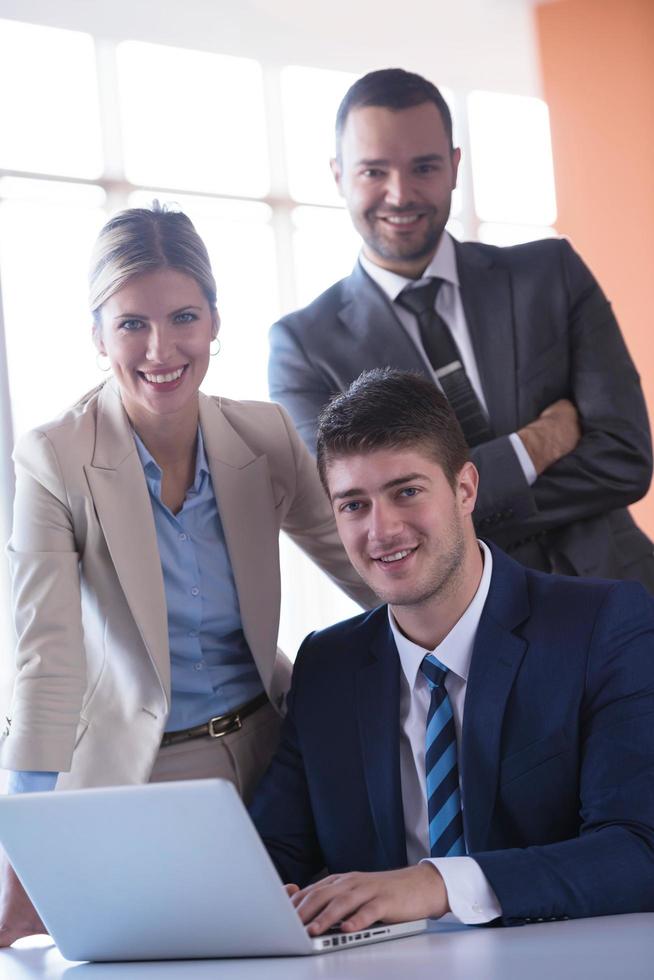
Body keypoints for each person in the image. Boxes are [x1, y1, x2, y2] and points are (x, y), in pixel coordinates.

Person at [0, 204, 374, 946]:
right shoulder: (55, 458)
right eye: (132, 323)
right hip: (143, 779)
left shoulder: (263, 436)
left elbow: (364, 565)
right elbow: (46, 662)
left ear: (213, 322)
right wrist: (24, 850)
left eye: (183, 317)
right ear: (97, 332)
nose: (161, 347)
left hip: (272, 759)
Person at [250, 368, 654, 932]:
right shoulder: (326, 665)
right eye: (353, 505)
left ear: (465, 489)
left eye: (406, 492)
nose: (381, 530)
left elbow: (638, 850)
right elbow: (268, 857)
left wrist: (437, 883)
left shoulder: (600, 626)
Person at [268, 67, 654, 586]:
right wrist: (534, 446)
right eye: (373, 172)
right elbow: (362, 533)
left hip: (626, 597)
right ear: (339, 175)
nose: (400, 194)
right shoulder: (304, 348)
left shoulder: (551, 274)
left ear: (453, 167)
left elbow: (625, 459)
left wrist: (443, 511)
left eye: (423, 167)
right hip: (470, 641)